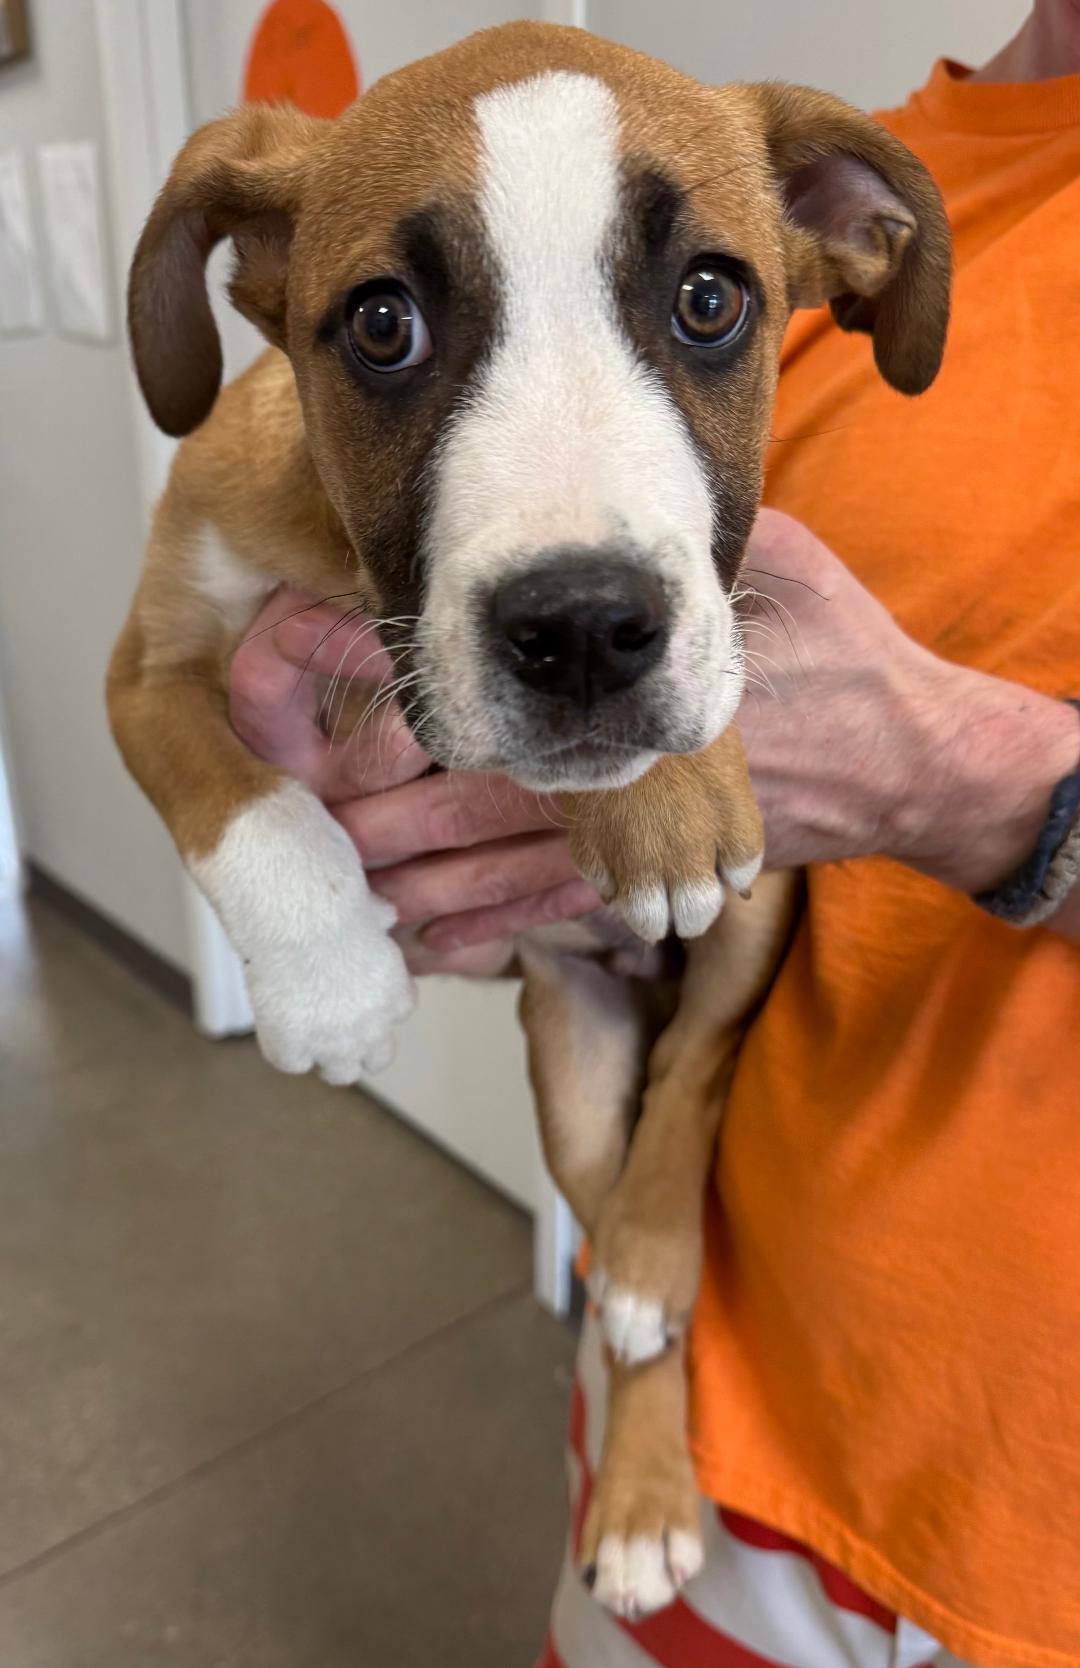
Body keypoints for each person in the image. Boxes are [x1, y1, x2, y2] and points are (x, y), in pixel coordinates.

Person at [229, 3, 1080, 1662]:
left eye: (698, 306)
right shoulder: (745, 181)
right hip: (699, 1422)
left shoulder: (779, 201)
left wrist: (976, 784)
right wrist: (443, 860)